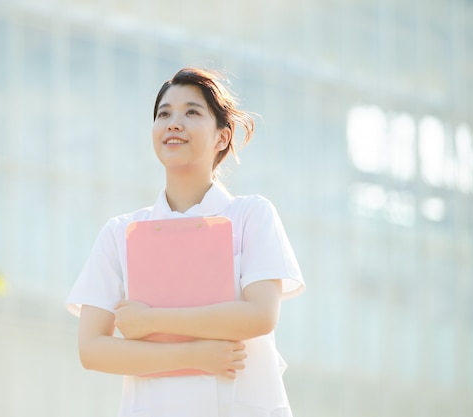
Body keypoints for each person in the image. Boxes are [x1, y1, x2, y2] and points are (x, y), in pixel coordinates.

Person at [66, 67, 305, 417]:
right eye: (164, 114)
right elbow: (92, 349)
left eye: (192, 112)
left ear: (222, 138)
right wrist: (196, 356)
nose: (174, 123)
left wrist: (152, 320)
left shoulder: (250, 215)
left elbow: (259, 315)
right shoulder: (120, 233)